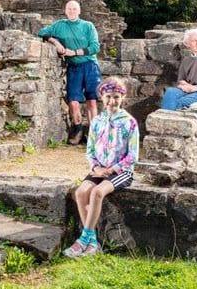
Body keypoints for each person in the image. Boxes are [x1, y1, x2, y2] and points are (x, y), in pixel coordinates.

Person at [63, 77, 139, 258]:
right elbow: (89, 150)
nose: (112, 101)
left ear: (122, 99)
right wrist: (96, 168)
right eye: (108, 96)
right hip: (99, 169)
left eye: (116, 97)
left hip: (120, 171)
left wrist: (112, 169)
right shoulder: (97, 121)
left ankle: (83, 239)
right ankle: (93, 241)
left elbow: (133, 156)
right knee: (81, 192)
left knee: (97, 192)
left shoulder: (130, 122)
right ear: (102, 97)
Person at [37, 0, 101, 145]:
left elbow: (95, 47)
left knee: (91, 100)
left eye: (74, 9)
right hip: (74, 67)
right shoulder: (60, 25)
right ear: (65, 11)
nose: (72, 11)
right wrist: (56, 42)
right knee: (73, 100)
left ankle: (94, 134)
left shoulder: (88, 26)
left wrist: (76, 52)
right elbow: (42, 32)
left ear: (79, 11)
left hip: (90, 65)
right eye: (69, 9)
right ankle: (77, 130)